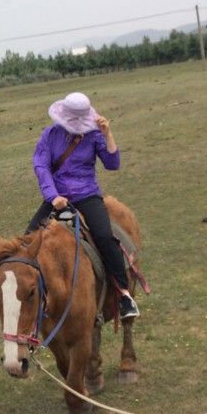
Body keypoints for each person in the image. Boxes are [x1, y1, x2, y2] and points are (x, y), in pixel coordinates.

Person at [21, 91, 139, 321]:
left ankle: (123, 294)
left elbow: (113, 164)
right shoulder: (50, 135)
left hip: (87, 195)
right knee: (27, 241)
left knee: (105, 237)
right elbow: (41, 167)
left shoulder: (94, 135)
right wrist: (53, 196)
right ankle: (31, 295)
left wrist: (108, 135)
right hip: (56, 197)